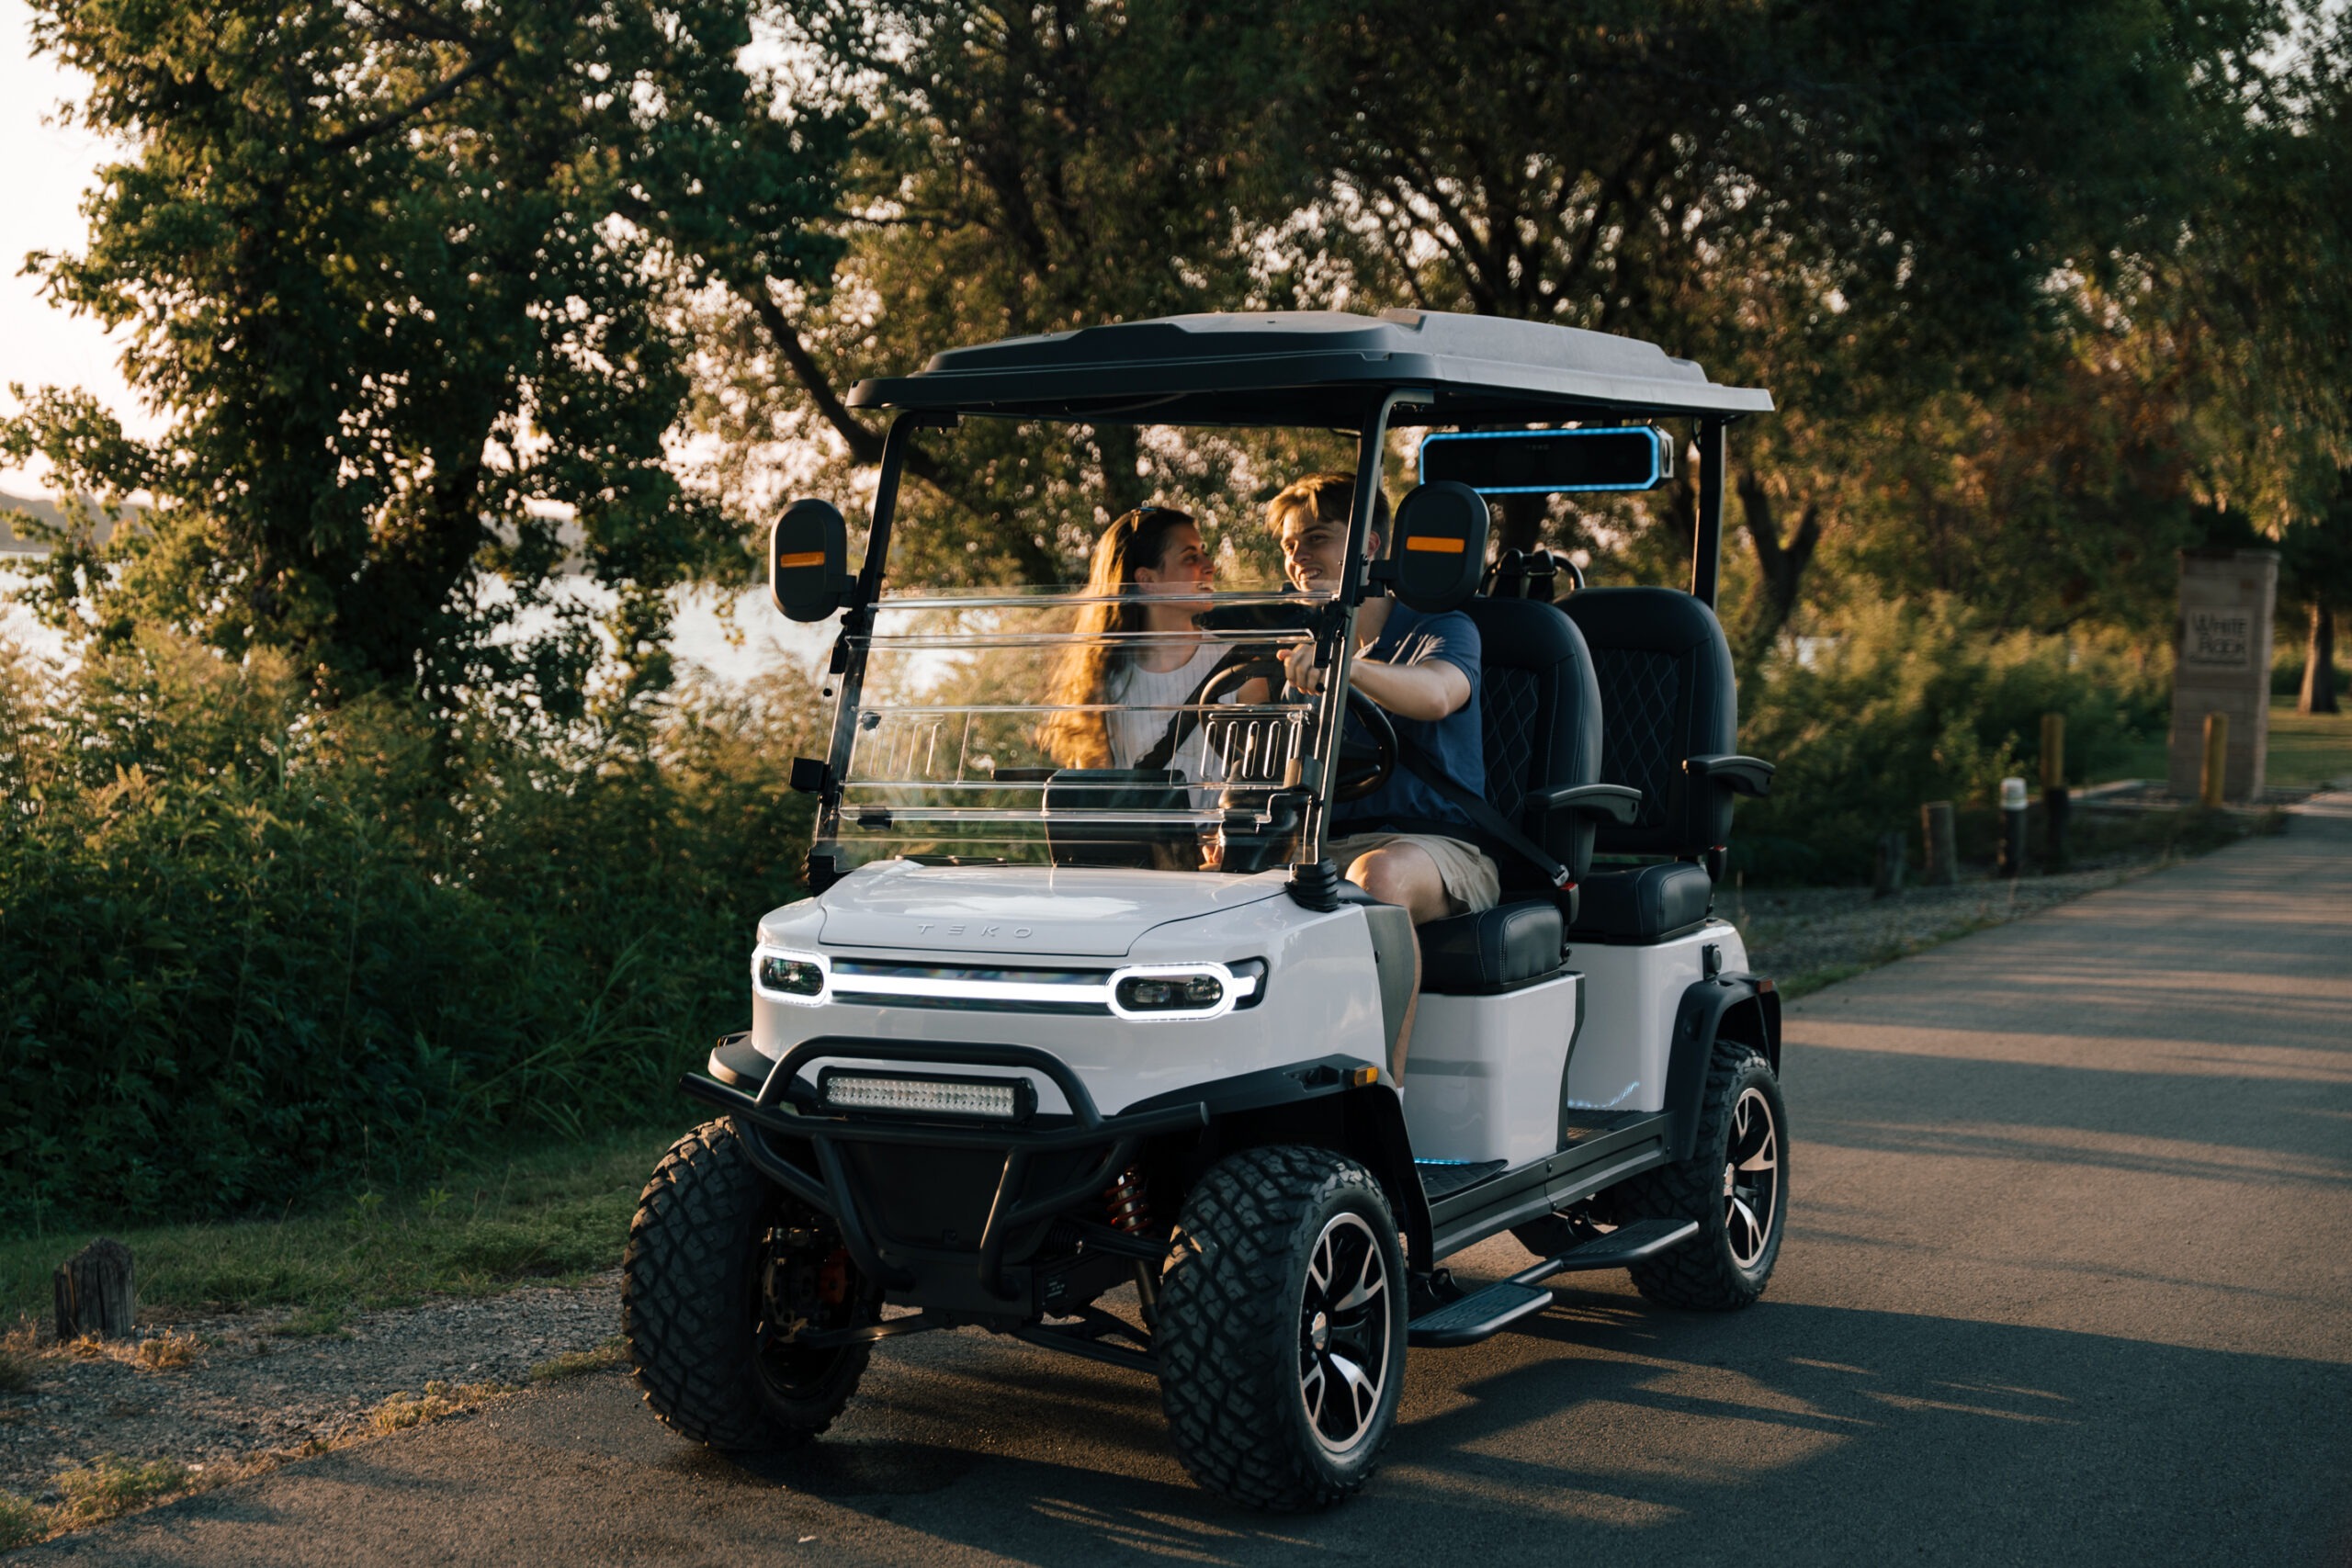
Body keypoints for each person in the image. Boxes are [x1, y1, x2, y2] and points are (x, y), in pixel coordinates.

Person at [1269, 472, 1500, 927]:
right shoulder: (1296, 648)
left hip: (1431, 847)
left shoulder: (1441, 628)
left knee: (1377, 877)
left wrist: (1346, 667)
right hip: (1321, 844)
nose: (1299, 557)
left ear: (1369, 547)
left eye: (1316, 539)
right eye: (1289, 545)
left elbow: (1436, 695)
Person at [1040, 505, 1225, 773]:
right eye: (1190, 558)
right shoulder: (1103, 682)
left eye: (1204, 553)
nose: (1210, 566)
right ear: (1147, 580)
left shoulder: (1238, 665)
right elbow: (1100, 794)